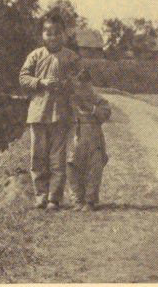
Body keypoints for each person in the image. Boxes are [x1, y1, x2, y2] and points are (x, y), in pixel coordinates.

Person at [19, 12, 82, 211]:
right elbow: (23, 78)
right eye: (48, 33)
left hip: (61, 115)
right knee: (37, 157)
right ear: (42, 35)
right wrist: (40, 82)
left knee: (57, 158)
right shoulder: (35, 55)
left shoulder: (71, 57)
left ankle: (54, 198)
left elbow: (81, 80)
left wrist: (65, 84)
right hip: (38, 113)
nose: (52, 37)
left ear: (64, 34)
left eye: (57, 33)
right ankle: (40, 195)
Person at [65, 67, 112, 212]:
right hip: (74, 134)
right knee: (71, 165)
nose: (80, 88)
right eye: (76, 85)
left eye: (83, 85)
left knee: (94, 166)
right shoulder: (68, 98)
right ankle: (77, 199)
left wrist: (90, 107)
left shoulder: (96, 98)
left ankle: (90, 200)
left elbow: (105, 112)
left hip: (92, 134)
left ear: (88, 84)